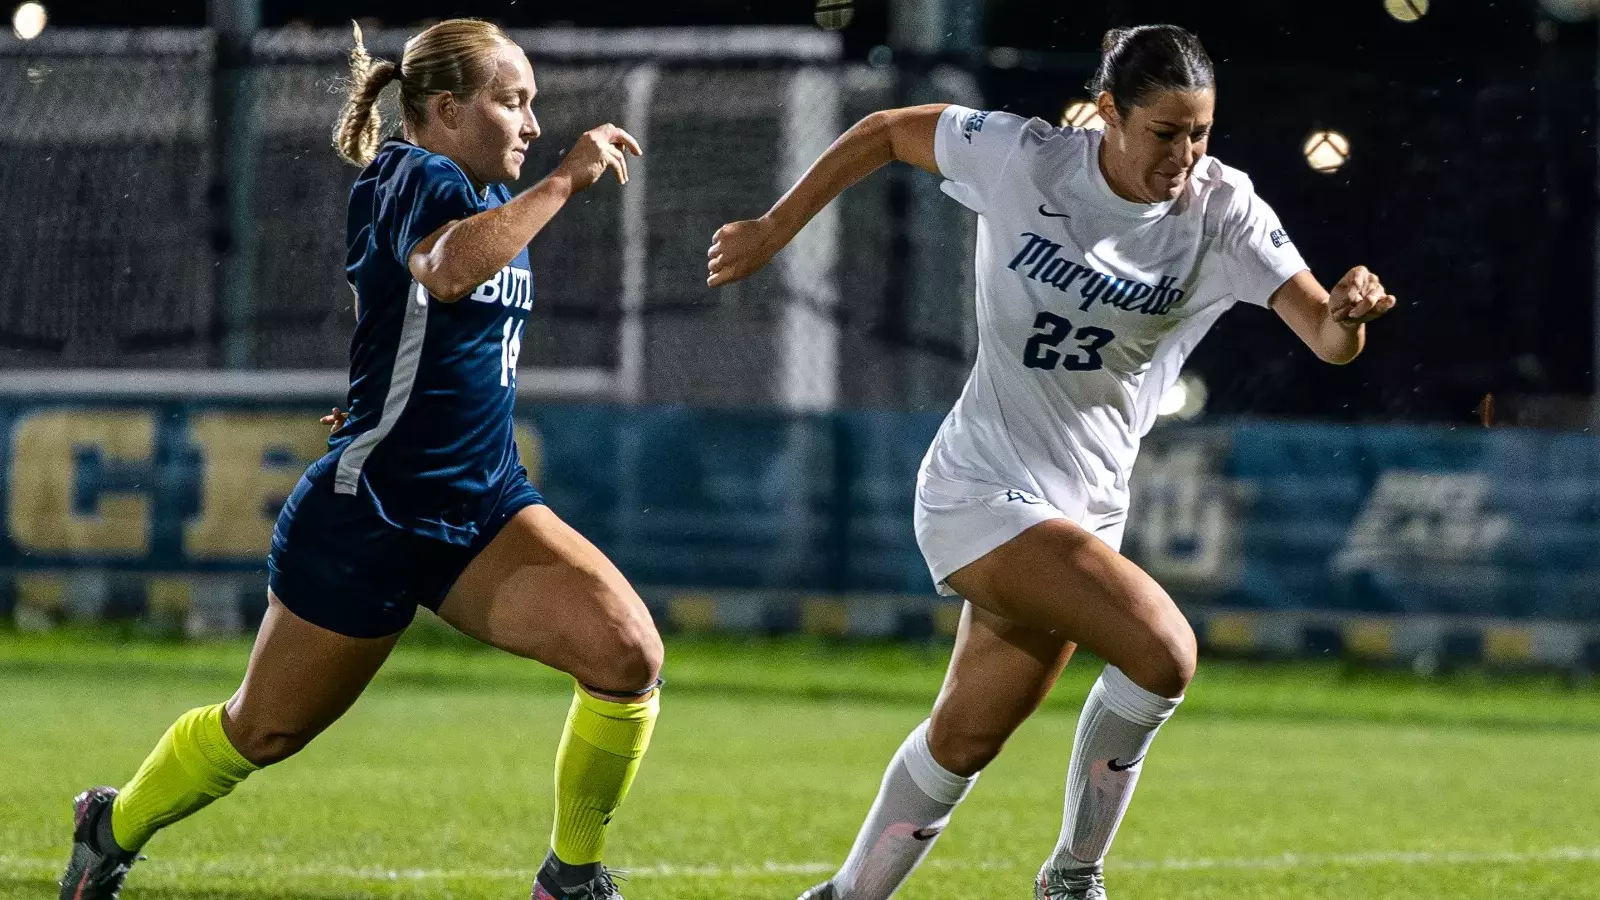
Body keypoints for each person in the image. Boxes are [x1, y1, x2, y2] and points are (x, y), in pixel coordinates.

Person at [707, 24, 1395, 900]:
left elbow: (1327, 339)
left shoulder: (1223, 211)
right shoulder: (1022, 159)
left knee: (963, 741)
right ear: (1108, 111)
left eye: (1200, 133)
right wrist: (774, 228)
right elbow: (883, 131)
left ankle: (843, 897)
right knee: (1165, 653)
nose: (1184, 155)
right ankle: (1074, 876)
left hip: (1086, 510)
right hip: (979, 490)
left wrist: (1348, 313)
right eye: (1165, 132)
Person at [59, 20, 661, 900]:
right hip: (372, 513)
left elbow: (405, 317)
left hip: (480, 507)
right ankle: (108, 828)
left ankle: (569, 878)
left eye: (532, 104)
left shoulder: (479, 197)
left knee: (626, 655)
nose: (532, 124)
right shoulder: (413, 172)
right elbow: (445, 271)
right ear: (445, 109)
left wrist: (377, 395)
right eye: (512, 101)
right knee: (261, 732)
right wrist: (568, 177)